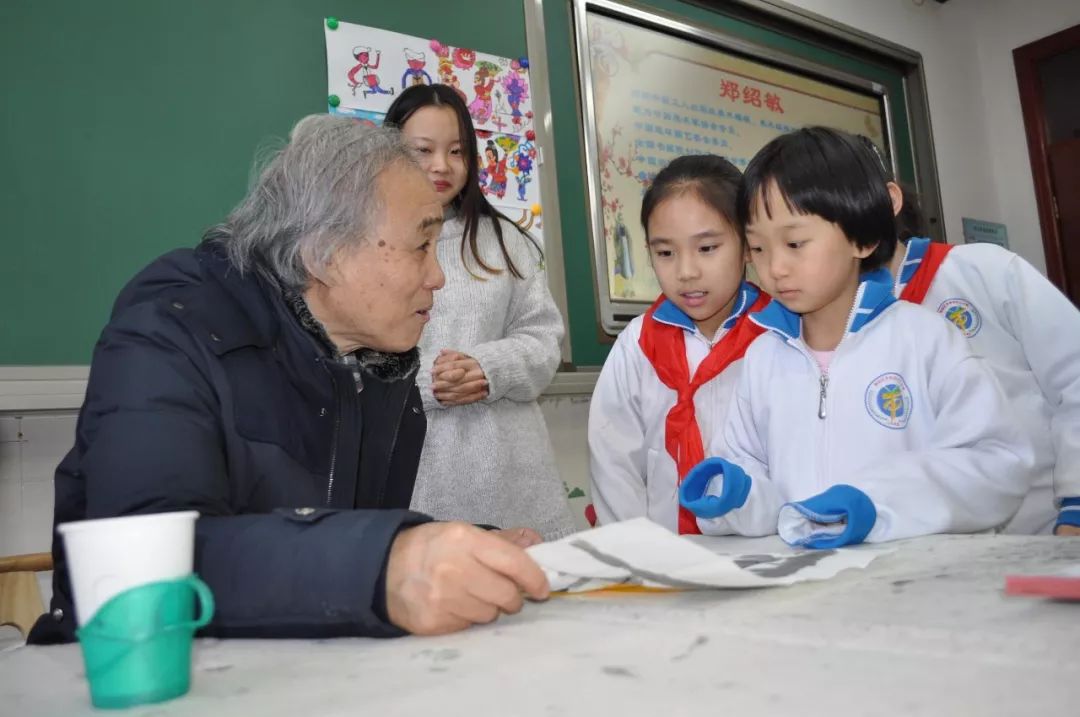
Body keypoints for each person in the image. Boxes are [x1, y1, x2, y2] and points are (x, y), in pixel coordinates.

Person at [28, 116, 549, 644]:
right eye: (421, 246)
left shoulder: (370, 360)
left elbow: (317, 533)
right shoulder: (170, 329)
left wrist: (451, 547)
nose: (437, 277)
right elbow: (142, 563)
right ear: (323, 255)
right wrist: (384, 566)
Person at [678, 126, 1033, 548]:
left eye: (794, 243)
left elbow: (996, 464)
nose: (774, 268)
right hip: (803, 591)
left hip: (914, 590)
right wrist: (735, 494)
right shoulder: (763, 357)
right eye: (757, 248)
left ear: (862, 238)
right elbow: (756, 477)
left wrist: (874, 504)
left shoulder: (925, 339)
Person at [384, 85, 574, 539]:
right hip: (418, 470)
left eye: (456, 151)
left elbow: (543, 339)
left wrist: (489, 368)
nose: (441, 166)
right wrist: (429, 379)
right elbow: (348, 355)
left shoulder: (507, 242)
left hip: (513, 471)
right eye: (422, 150)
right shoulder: (367, 244)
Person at [886, 182, 1080, 536]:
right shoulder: (836, 322)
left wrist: (1076, 506)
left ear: (888, 200)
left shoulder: (981, 270)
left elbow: (1074, 375)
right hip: (930, 559)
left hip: (1048, 531)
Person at [588, 155, 769, 533]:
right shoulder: (638, 344)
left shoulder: (777, 337)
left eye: (707, 248)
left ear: (748, 245)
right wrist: (640, 560)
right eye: (665, 253)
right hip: (665, 561)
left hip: (768, 551)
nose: (686, 272)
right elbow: (613, 465)